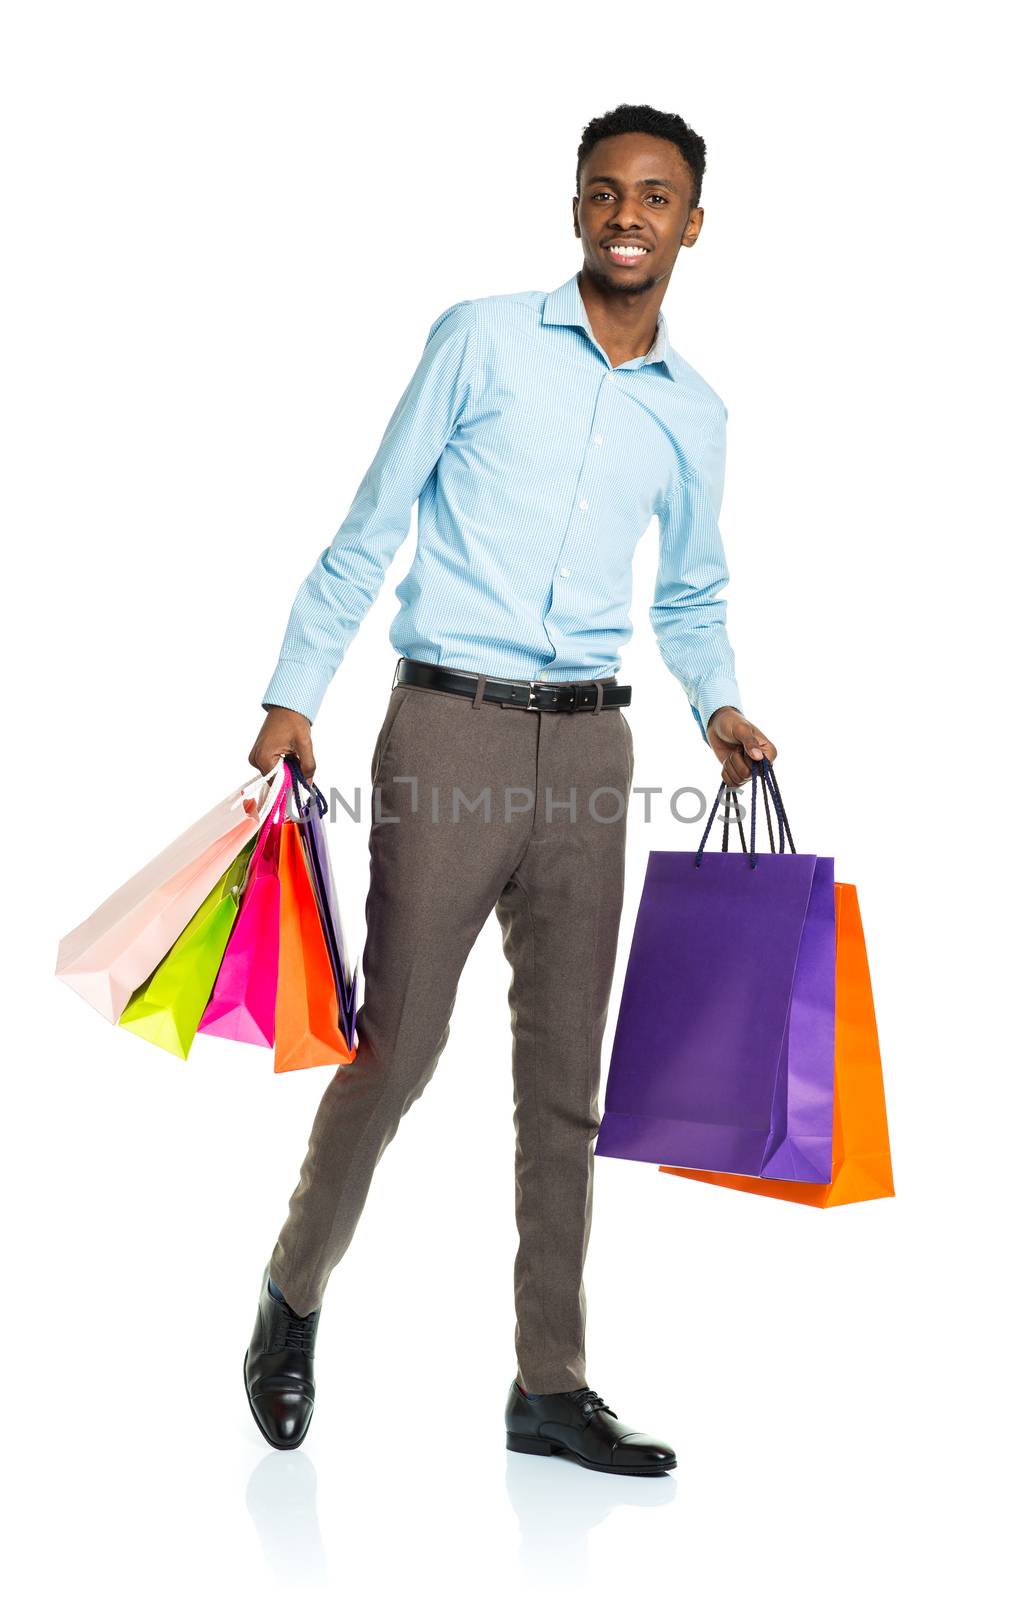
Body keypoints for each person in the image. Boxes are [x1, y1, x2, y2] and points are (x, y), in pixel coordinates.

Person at [243, 101, 777, 1473]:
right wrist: (293, 693)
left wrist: (718, 707)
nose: (626, 217)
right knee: (401, 1047)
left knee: (565, 1084)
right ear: (577, 206)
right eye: (605, 192)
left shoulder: (695, 417)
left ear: (692, 225)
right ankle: (294, 1291)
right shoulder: (480, 339)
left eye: (655, 198)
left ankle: (548, 1384)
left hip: (595, 752)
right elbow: (370, 525)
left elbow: (697, 594)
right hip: (451, 730)